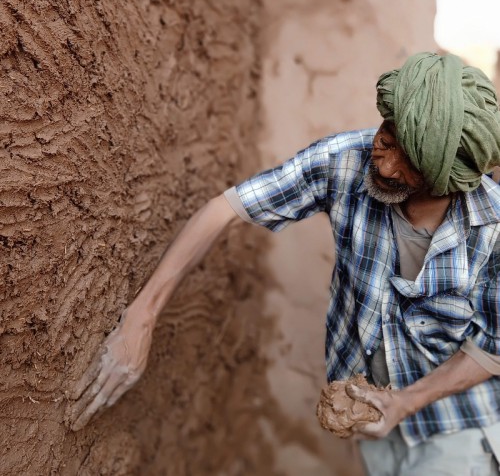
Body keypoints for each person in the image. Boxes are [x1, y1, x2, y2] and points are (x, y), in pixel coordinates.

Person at [67, 52, 500, 475]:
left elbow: (493, 345)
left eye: (408, 167)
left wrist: (405, 403)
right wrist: (142, 316)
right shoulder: (344, 162)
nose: (384, 165)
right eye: (385, 142)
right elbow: (226, 209)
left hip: (458, 426)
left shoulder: (493, 226)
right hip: (374, 422)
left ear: (446, 181)